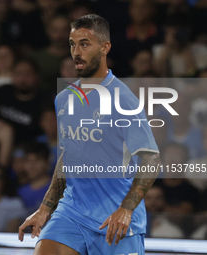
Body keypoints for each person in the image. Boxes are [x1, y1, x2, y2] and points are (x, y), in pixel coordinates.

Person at [19, 14, 161, 255]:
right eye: (72, 44)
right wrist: (45, 208)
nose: (76, 51)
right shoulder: (64, 99)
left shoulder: (123, 99)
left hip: (115, 219)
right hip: (72, 213)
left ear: (105, 47)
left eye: (84, 44)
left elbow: (151, 159)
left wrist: (126, 209)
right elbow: (68, 155)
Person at [0, 59, 47, 145]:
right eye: (18, 74)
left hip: (30, 148)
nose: (23, 78)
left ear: (37, 76)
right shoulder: (1, 93)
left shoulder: (44, 101)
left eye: (28, 74)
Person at [18, 142, 51, 214]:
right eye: (28, 161)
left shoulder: (60, 189)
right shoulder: (20, 193)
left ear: (47, 162)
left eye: (37, 160)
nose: (31, 165)